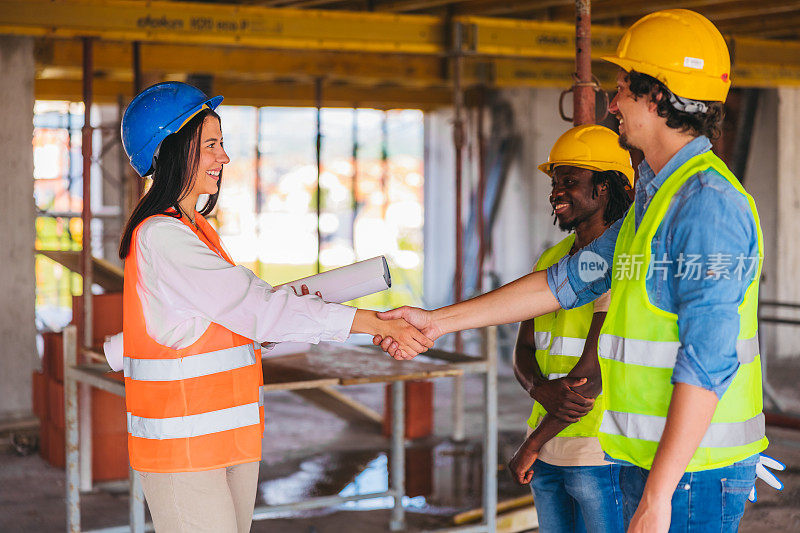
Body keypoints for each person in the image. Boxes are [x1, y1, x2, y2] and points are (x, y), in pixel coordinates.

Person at [374, 9, 776, 532]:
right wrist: (438, 321)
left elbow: (708, 362)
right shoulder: (654, 203)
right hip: (646, 459)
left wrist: (657, 497)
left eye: (623, 88)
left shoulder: (706, 205)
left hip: (693, 473)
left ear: (658, 97)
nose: (612, 105)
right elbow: (564, 283)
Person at [118, 81, 432, 533]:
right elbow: (258, 309)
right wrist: (371, 322)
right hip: (183, 449)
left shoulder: (196, 230)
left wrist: (275, 315)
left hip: (225, 443)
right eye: (210, 145)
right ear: (173, 148)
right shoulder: (161, 236)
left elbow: (236, 319)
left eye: (221, 144)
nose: (223, 158)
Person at [510, 125, 633, 533]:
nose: (555, 192)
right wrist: (536, 390)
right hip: (547, 445)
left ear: (603, 189)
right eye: (555, 182)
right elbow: (523, 348)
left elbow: (591, 376)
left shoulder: (622, 261)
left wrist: (530, 445)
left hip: (597, 453)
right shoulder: (553, 258)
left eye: (569, 182)